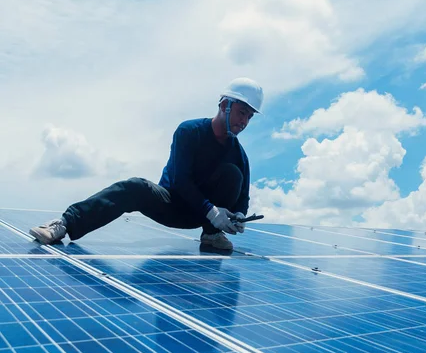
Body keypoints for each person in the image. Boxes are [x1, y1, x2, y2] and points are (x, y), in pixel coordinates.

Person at [28, 77, 264, 250]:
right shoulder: (189, 132)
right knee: (135, 186)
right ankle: (64, 224)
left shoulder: (240, 155)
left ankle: (212, 236)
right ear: (224, 105)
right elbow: (181, 180)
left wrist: (238, 217)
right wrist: (211, 210)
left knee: (233, 174)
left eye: (249, 117)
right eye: (241, 112)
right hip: (171, 204)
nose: (244, 121)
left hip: (206, 219)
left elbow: (242, 196)